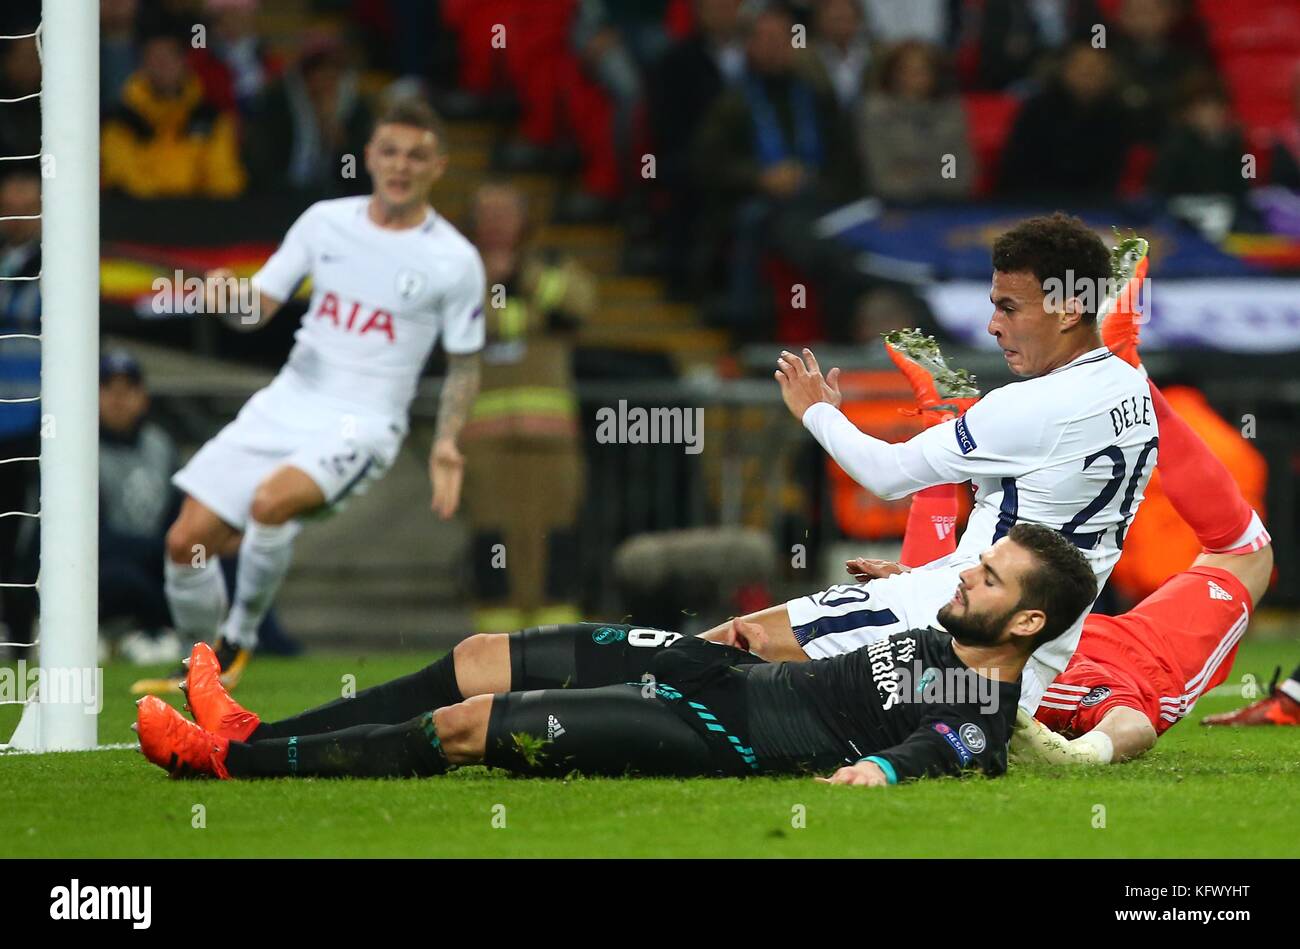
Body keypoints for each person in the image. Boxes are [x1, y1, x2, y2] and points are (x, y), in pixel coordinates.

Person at [135, 522, 1099, 784]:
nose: (970, 577)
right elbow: (889, 618)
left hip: (722, 730)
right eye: (981, 563)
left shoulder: (981, 712)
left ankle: (224, 761)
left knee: (468, 728)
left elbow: (943, 749)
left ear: (1025, 627)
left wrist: (880, 776)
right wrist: (901, 571)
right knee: (481, 655)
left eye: (992, 580)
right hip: (716, 668)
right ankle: (250, 724)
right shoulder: (949, 629)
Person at [129, 98, 486, 695]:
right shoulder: (324, 222)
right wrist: (226, 300)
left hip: (364, 424)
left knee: (270, 505)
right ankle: (200, 662)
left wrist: (447, 442)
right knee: (183, 543)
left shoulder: (454, 260)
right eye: (391, 151)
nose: (401, 166)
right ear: (369, 157)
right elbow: (258, 309)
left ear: (438, 166)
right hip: (289, 399)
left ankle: (239, 639)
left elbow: (465, 365)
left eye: (417, 155)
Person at [768, 218, 1158, 716]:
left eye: (1009, 308)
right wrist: (925, 572)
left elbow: (887, 474)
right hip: (1031, 662)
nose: (994, 326)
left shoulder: (1032, 405)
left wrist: (816, 411)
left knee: (740, 641)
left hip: (956, 632)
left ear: (1068, 309)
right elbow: (1044, 518)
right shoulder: (1133, 388)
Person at [460, 183, 593, 631]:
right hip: (483, 444)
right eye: (487, 213)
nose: (496, 224)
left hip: (551, 439)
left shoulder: (553, 264)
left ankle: (557, 647)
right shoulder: (457, 270)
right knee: (492, 544)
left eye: (506, 213)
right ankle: (494, 652)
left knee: (554, 544)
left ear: (525, 219)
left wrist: (523, 277)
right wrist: (529, 314)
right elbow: (463, 322)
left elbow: (579, 303)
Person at [100, 23, 248, 198]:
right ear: (142, 64)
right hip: (140, 218)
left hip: (202, 218)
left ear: (184, 62)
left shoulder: (211, 119)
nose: (163, 65)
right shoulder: (120, 122)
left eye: (170, 57)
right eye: (155, 58)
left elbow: (225, 178)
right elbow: (123, 176)